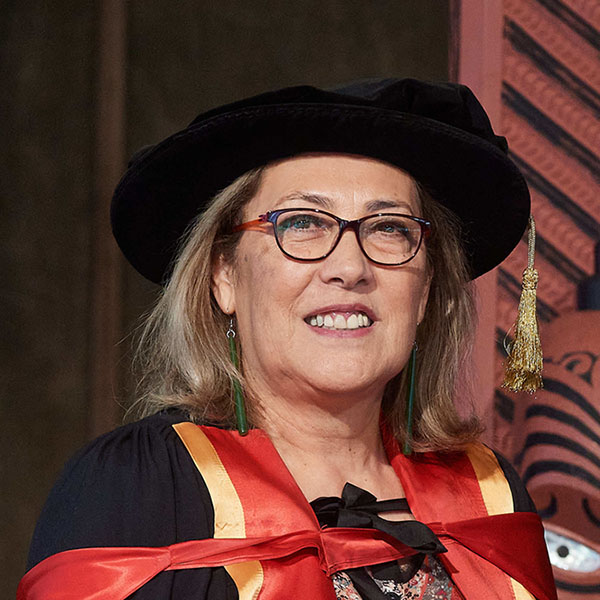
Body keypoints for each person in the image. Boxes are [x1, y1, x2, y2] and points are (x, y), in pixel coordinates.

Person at [19, 79, 557, 600]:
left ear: (425, 292)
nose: (349, 266)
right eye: (301, 223)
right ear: (223, 275)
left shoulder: (489, 498)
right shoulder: (139, 488)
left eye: (390, 228)